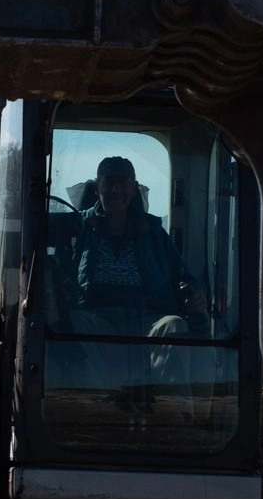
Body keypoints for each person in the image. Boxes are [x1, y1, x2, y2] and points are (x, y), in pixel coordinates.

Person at [66, 155, 206, 398]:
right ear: (97, 187)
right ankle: (99, 402)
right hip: (99, 315)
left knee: (173, 325)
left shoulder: (152, 231)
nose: (115, 189)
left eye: (123, 182)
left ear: (133, 188)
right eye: (109, 182)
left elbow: (181, 272)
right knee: (75, 321)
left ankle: (174, 413)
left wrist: (194, 293)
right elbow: (60, 270)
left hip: (147, 315)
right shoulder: (79, 228)